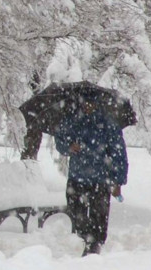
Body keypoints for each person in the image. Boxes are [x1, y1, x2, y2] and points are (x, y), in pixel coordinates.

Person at [54, 98, 129, 256]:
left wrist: (118, 180)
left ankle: (95, 244)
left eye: (90, 103)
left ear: (97, 103)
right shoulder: (73, 120)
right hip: (77, 177)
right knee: (76, 210)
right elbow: (60, 139)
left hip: (100, 179)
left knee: (99, 215)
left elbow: (119, 154)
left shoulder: (107, 123)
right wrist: (69, 146)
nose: (87, 106)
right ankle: (86, 238)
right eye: (84, 103)